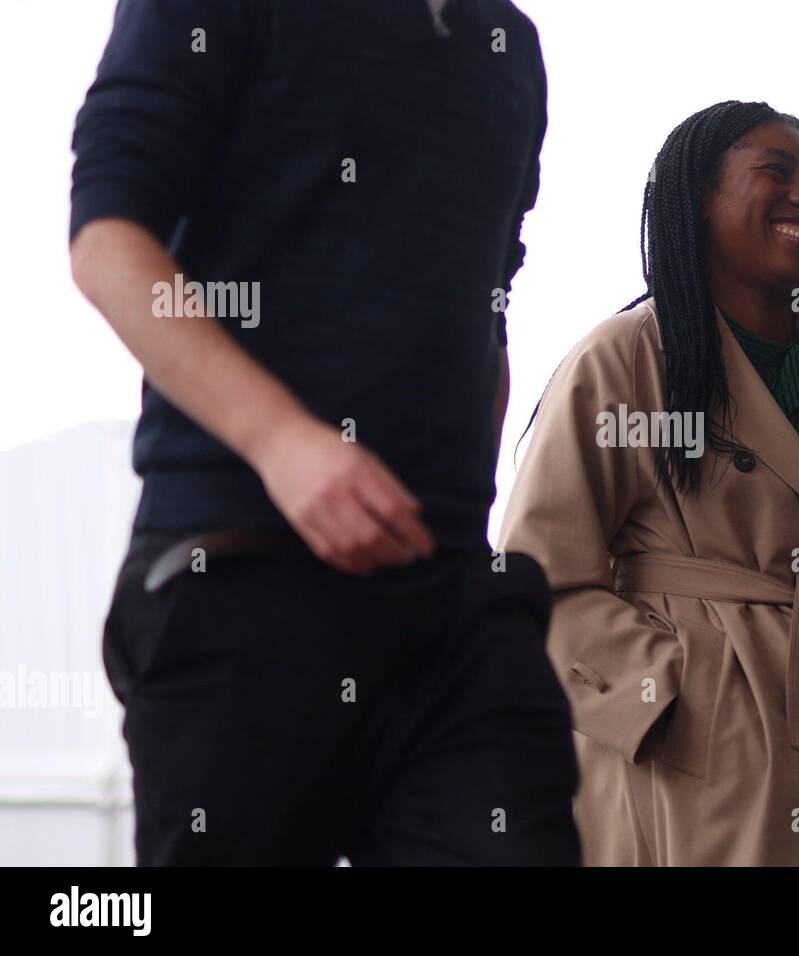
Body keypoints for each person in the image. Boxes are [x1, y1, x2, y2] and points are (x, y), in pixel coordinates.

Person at [69, 0, 580, 865]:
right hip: (236, 573)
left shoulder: (510, 46)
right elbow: (106, 242)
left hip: (452, 609)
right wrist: (283, 443)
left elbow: (489, 296)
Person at [501, 100, 799, 866]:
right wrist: (674, 698)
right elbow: (540, 576)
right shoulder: (628, 357)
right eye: (777, 172)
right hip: (687, 765)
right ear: (700, 199)